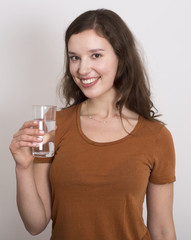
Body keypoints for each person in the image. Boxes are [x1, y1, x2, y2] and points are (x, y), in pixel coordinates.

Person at [9, 9, 176, 240]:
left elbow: (163, 230)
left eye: (95, 55)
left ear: (122, 57)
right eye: (74, 57)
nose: (82, 69)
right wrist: (23, 169)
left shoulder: (156, 136)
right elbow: (35, 224)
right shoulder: (51, 125)